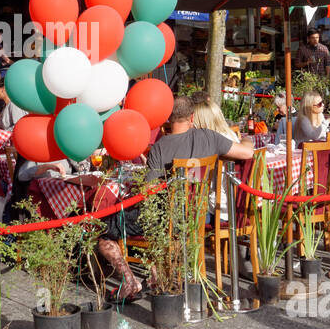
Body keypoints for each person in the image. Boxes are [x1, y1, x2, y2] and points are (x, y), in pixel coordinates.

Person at [93, 96, 256, 301]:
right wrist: (246, 139)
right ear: (192, 117)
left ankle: (130, 279)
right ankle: (155, 275)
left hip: (169, 220)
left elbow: (149, 191)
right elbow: (247, 153)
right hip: (199, 216)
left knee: (104, 228)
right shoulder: (210, 137)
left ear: (168, 119)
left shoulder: (160, 148)